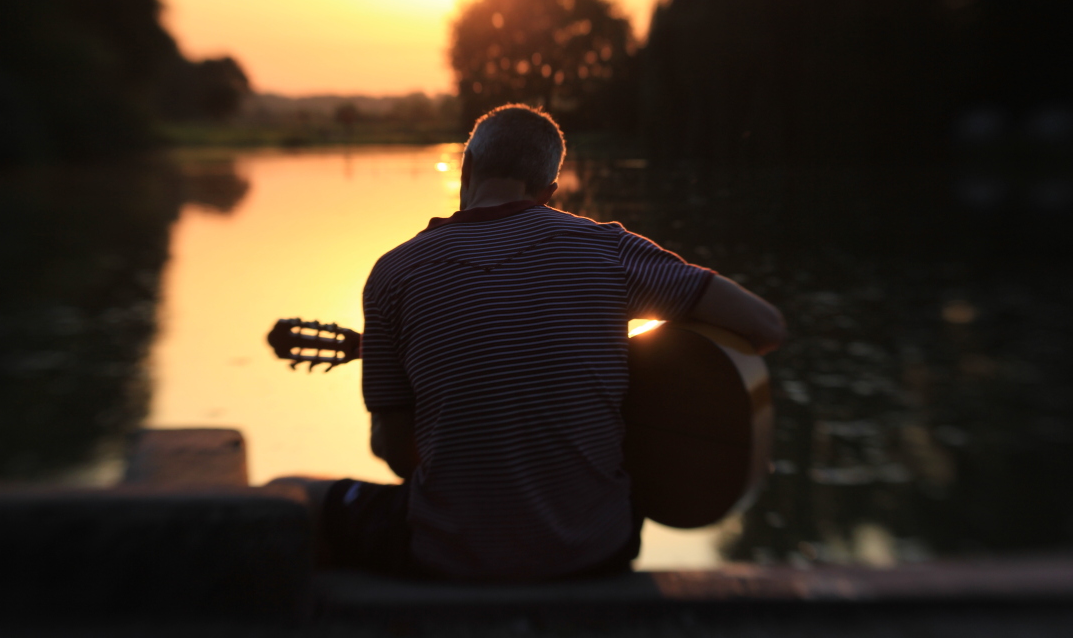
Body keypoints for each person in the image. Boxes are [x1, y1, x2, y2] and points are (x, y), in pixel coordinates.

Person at [275, 104, 784, 581]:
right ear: (549, 190)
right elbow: (764, 327)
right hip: (598, 547)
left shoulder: (396, 273)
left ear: (466, 167)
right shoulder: (608, 249)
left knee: (292, 499)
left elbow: (392, 451)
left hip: (449, 555)